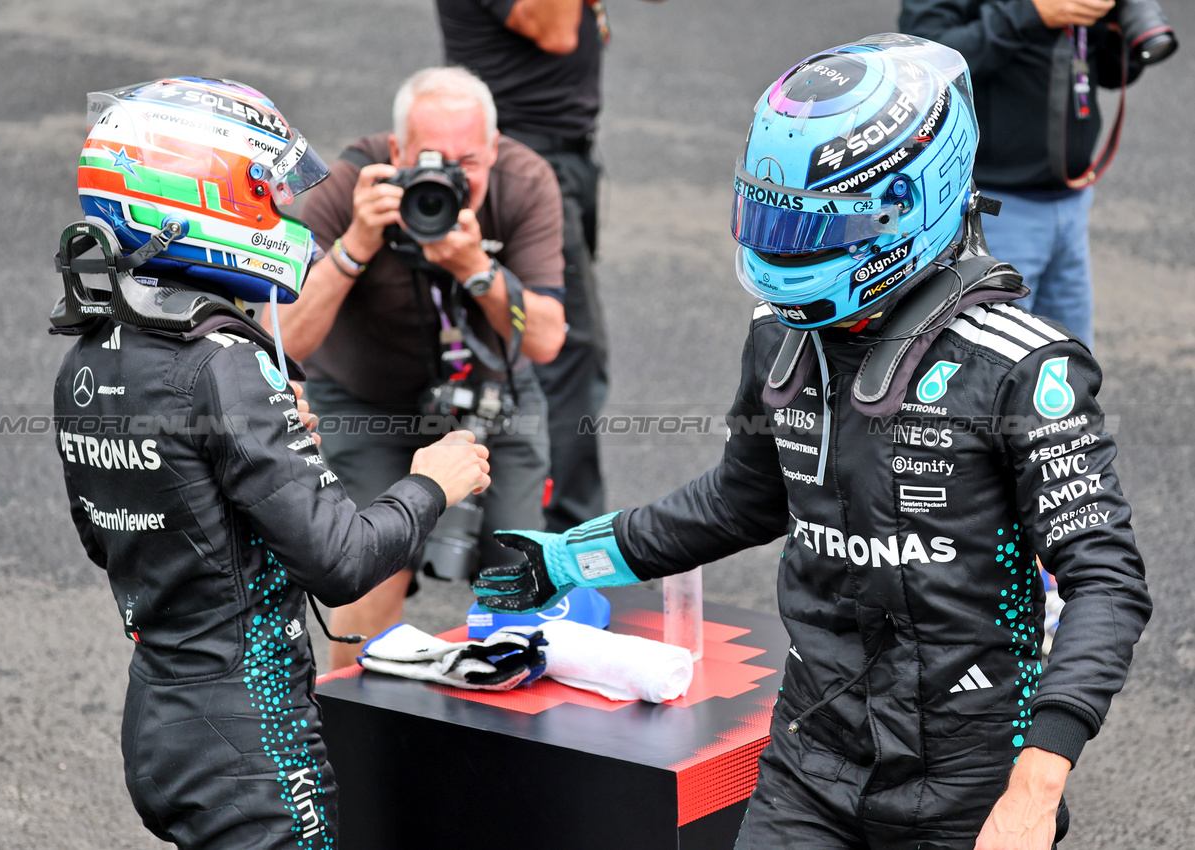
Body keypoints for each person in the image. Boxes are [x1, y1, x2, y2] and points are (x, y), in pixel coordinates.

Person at [474, 36, 1151, 849]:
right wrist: (562, 559)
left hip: (972, 780)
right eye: (770, 222)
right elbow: (738, 501)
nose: (786, 254)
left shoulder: (1022, 368)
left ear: (910, 201)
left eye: (813, 231)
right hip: (811, 753)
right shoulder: (780, 337)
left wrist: (1036, 786)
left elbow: (1106, 581)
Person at [50, 77, 491, 850]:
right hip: (251, 743)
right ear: (202, 200)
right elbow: (343, 559)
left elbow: (116, 536)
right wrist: (433, 483)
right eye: (262, 194)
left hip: (161, 721)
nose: (279, 213)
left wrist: (259, 456)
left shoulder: (88, 357)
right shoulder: (221, 364)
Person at [265, 66, 566, 670]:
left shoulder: (526, 179)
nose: (450, 178)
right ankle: (360, 724)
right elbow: (283, 341)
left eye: (470, 162)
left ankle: (511, 723)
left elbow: (546, 341)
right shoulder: (346, 183)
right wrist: (354, 246)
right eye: (432, 159)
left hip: (494, 393)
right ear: (397, 151)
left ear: (496, 146)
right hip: (365, 398)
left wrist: (476, 267)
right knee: (368, 562)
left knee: (523, 571)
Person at [437, 0, 664, 532]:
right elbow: (556, 28)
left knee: (543, 354)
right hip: (518, 164)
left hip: (564, 153)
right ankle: (564, 544)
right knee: (564, 356)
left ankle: (528, 529)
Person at [899, 0, 1145, 350]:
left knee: (1069, 359)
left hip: (1070, 203)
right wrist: (1032, 14)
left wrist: (1119, 28)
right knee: (991, 359)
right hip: (994, 206)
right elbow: (923, 62)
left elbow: (1108, 70)